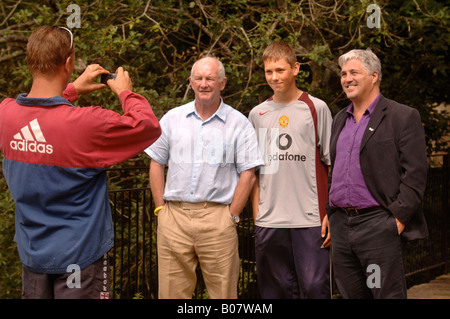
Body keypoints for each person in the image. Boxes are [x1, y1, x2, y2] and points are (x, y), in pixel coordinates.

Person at [0, 25, 161, 298]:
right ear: (69, 63)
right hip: (80, 260)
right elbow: (147, 126)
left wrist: (71, 89)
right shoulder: (87, 124)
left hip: (33, 255)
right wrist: (126, 93)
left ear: (30, 62)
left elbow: (42, 118)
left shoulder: (6, 115)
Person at [146, 56, 264, 299]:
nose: (203, 84)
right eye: (198, 78)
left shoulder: (238, 124)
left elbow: (249, 172)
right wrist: (160, 210)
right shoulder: (172, 119)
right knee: (170, 294)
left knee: (223, 295)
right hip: (173, 219)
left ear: (222, 83)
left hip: (217, 220)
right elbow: (156, 162)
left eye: (210, 78)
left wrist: (232, 215)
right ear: (190, 82)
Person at [326, 49, 428, 299]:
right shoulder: (340, 118)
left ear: (374, 76)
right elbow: (336, 170)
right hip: (341, 225)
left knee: (385, 295)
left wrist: (397, 220)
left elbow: (415, 173)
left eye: (354, 72)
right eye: (343, 74)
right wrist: (330, 211)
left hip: (377, 224)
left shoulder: (402, 117)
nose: (346, 78)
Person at [248, 41, 333, 299]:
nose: (274, 77)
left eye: (280, 70)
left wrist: (329, 212)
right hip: (270, 220)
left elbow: (331, 165)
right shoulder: (257, 114)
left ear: (295, 68)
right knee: (275, 292)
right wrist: (257, 214)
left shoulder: (316, 108)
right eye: (268, 72)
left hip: (310, 220)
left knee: (314, 289)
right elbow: (254, 171)